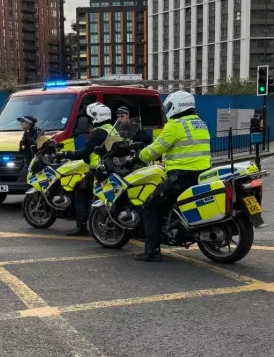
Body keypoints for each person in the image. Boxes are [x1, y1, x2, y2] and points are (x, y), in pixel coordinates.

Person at [133, 90, 211, 262]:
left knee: (149, 207)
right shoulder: (200, 123)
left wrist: (138, 157)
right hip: (201, 176)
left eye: (168, 106)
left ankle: (152, 252)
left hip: (181, 178)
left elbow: (156, 149)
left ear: (176, 106)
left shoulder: (175, 125)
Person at [57, 103, 120, 236]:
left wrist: (65, 154)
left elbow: (84, 153)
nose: (90, 121)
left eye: (91, 118)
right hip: (111, 169)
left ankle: (81, 225)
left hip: (98, 170)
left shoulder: (98, 132)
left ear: (97, 117)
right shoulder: (112, 129)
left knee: (80, 192)